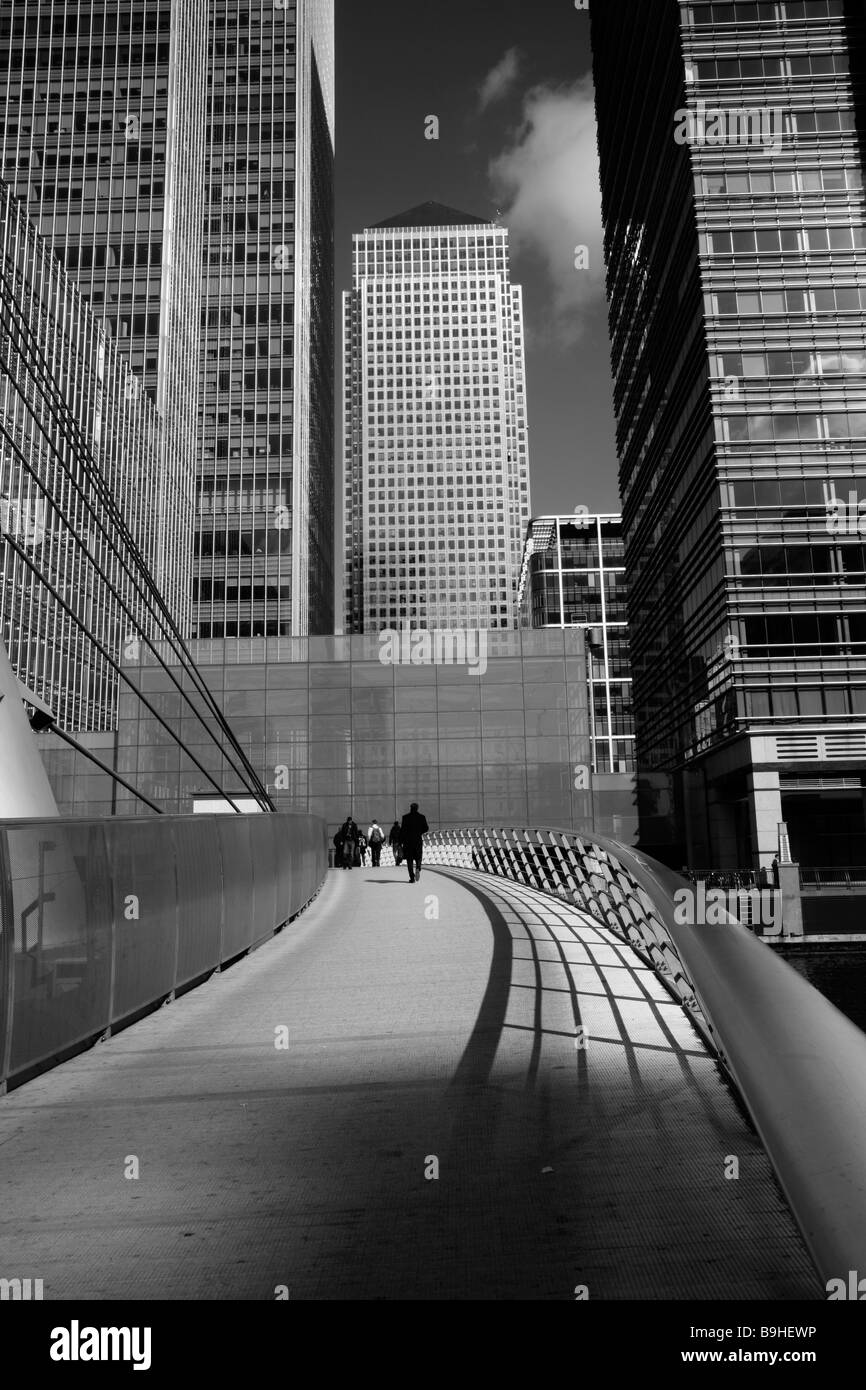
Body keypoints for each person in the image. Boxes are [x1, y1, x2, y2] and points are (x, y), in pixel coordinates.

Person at [400, 801, 429, 883]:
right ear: (417, 808)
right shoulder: (422, 817)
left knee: (409, 860)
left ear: (410, 808)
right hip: (417, 840)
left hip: (408, 842)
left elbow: (403, 831)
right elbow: (426, 828)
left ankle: (412, 878)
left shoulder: (405, 817)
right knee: (418, 856)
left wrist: (400, 842)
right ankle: (418, 868)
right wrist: (419, 832)